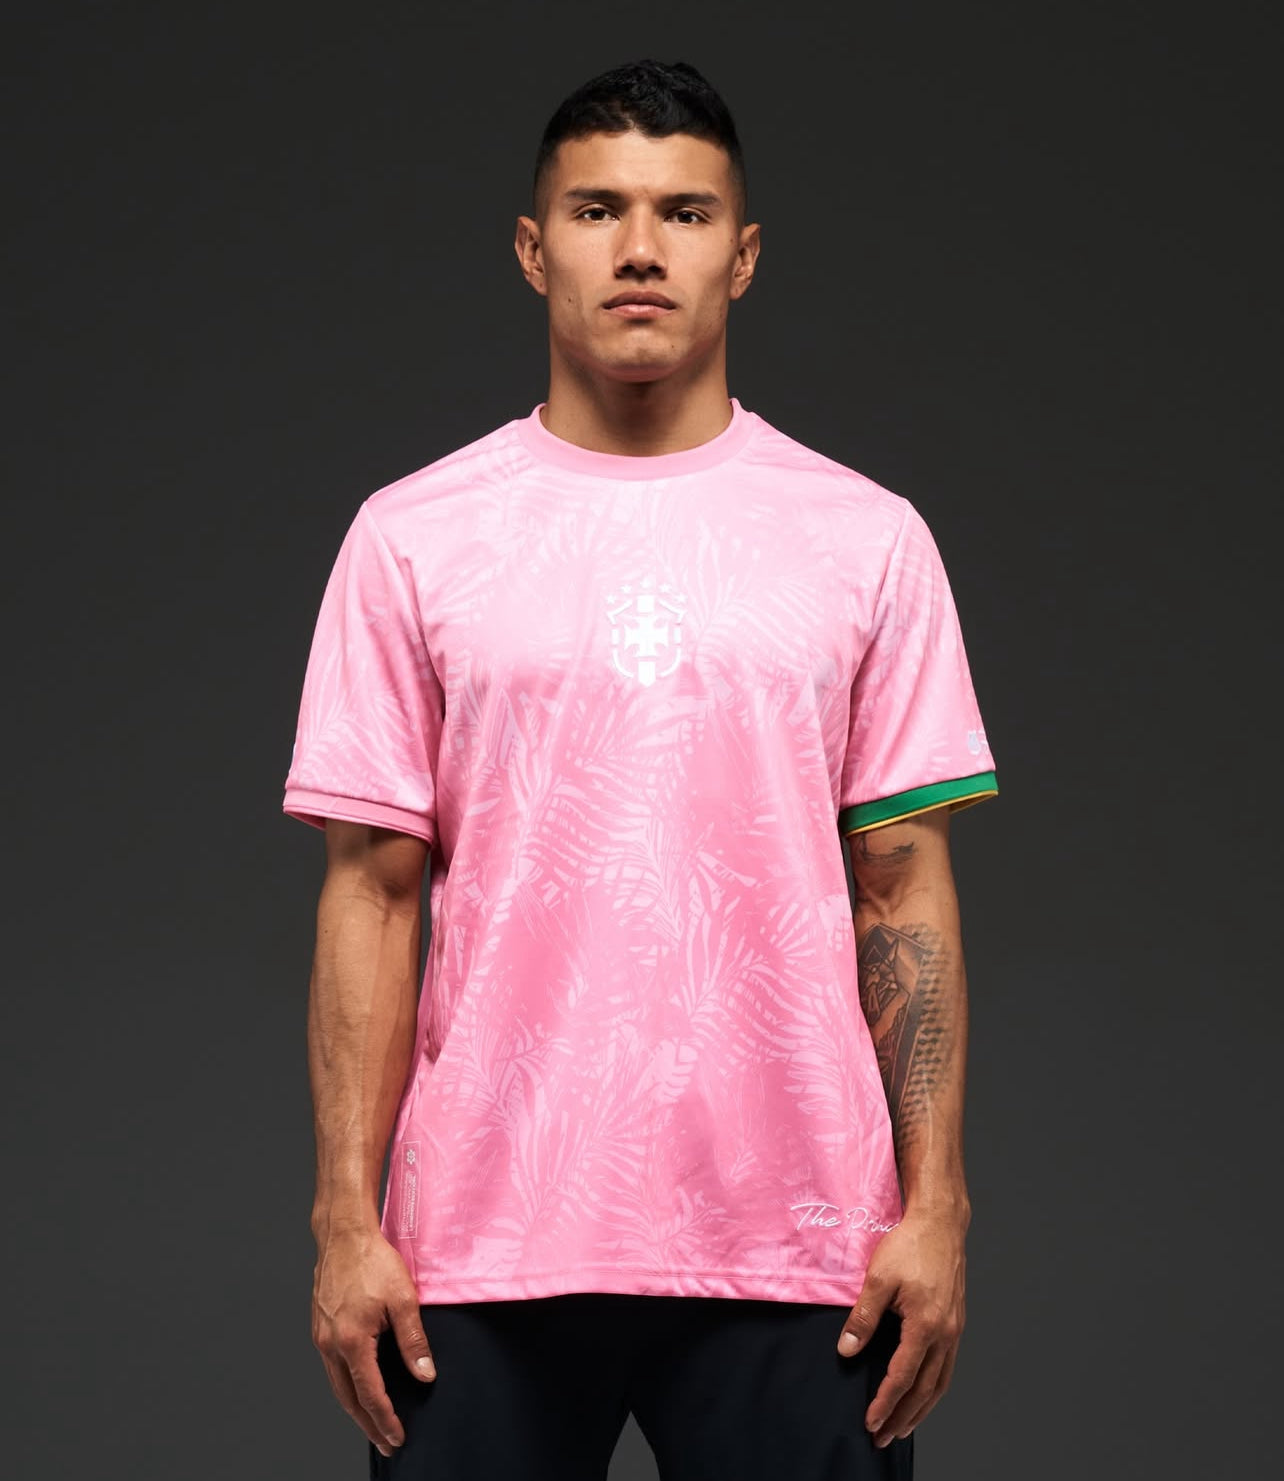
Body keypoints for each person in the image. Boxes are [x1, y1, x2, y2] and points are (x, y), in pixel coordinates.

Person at [282, 57, 998, 1481]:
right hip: (474, 1249)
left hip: (803, 1247)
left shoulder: (867, 539)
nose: (640, 249)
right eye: (598, 209)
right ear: (533, 248)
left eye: (684, 212)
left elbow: (902, 888)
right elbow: (371, 896)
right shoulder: (411, 537)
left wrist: (937, 1209)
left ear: (743, 254)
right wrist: (344, 1223)